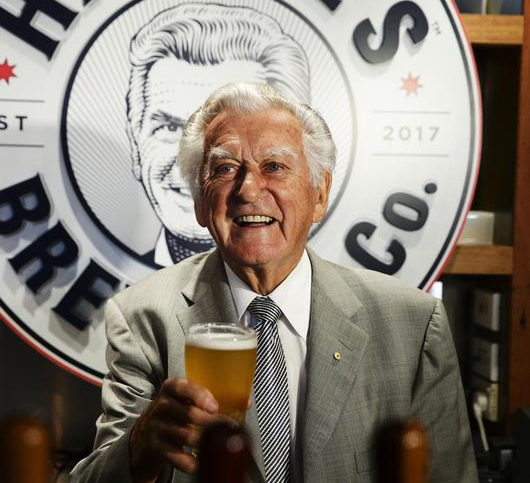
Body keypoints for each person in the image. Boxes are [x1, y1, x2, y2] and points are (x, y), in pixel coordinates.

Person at [72, 82, 477, 482]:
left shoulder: (414, 323)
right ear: (199, 202)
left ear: (320, 194)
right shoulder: (142, 319)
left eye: (274, 167)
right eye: (226, 168)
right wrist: (141, 445)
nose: (248, 189)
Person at [125, 3, 311, 266]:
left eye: (228, 134)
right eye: (168, 128)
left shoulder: (381, 304)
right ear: (136, 146)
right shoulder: (127, 307)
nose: (193, 163)